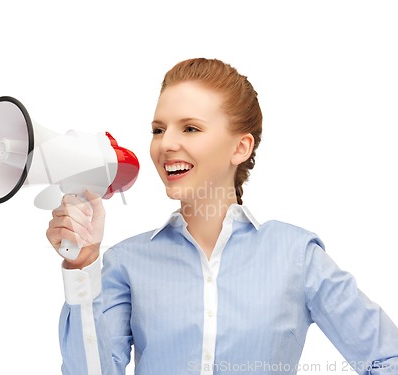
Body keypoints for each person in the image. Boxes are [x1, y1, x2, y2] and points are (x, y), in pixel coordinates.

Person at [46, 58, 398, 375]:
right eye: (158, 129)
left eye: (190, 128)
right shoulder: (127, 262)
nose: (165, 143)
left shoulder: (296, 256)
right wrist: (83, 266)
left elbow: (387, 359)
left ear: (240, 147)